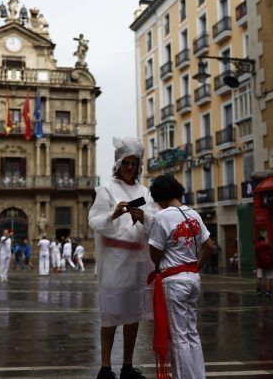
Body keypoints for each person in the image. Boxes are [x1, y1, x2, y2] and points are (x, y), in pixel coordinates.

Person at [88, 137, 157, 379]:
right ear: (118, 163)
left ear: (139, 166)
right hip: (114, 260)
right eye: (126, 162)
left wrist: (144, 217)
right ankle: (105, 368)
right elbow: (94, 222)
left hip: (138, 260)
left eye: (134, 163)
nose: (130, 167)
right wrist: (113, 214)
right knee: (111, 314)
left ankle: (127, 365)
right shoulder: (106, 190)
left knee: (133, 314)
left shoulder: (145, 192)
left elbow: (156, 222)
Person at [147, 174, 212, 379]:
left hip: (173, 281)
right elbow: (209, 246)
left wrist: (160, 265)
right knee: (192, 332)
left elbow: (154, 252)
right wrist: (196, 267)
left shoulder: (162, 217)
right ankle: (198, 376)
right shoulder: (194, 214)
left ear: (160, 196)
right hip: (193, 279)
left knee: (178, 337)